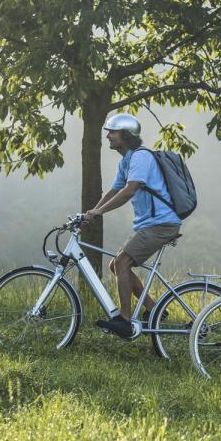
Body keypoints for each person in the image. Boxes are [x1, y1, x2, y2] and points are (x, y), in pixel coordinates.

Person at [83, 114, 182, 338]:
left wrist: (100, 212)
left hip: (162, 224)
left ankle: (125, 321)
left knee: (121, 262)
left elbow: (130, 190)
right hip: (152, 224)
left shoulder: (141, 158)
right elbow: (115, 189)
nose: (108, 136)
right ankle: (154, 309)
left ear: (125, 136)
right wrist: (91, 212)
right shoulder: (126, 161)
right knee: (116, 266)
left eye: (113, 132)